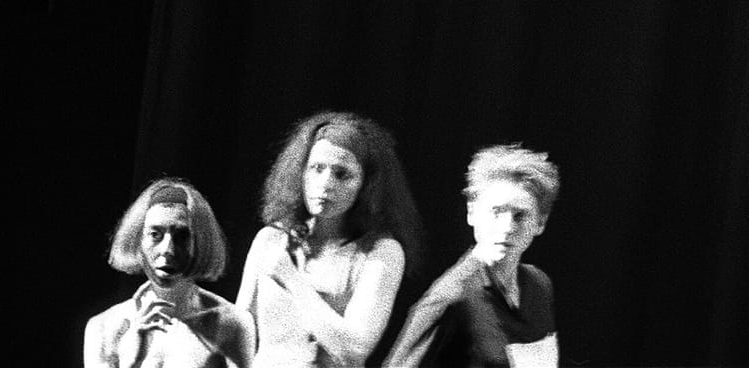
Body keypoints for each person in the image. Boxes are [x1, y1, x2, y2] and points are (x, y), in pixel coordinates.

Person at [237, 112, 425, 366]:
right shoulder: (270, 238)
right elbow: (239, 332)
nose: (325, 183)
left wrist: (291, 278)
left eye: (341, 174)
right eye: (316, 168)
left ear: (366, 185)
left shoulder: (382, 252)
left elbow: (354, 350)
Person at [383, 145, 560, 368]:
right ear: (472, 212)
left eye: (520, 215)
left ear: (541, 222)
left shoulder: (539, 285)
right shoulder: (452, 298)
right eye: (496, 211)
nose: (507, 227)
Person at [84, 178, 255, 368]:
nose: (167, 249)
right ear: (137, 239)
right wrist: (133, 361)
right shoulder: (104, 327)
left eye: (182, 236)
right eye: (155, 235)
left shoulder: (232, 324)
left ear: (201, 243)